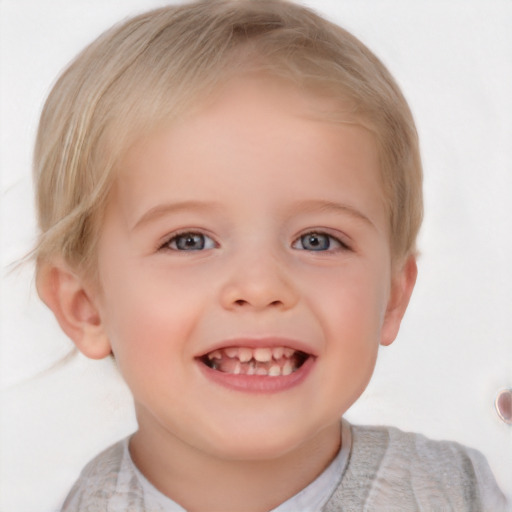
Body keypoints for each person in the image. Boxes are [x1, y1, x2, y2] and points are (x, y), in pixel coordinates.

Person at [32, 0, 508, 510]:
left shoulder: (452, 491)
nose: (260, 286)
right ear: (86, 306)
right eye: (189, 241)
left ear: (392, 297)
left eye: (318, 240)